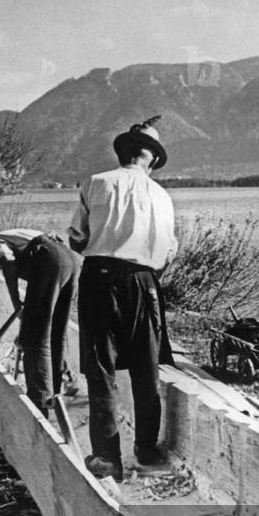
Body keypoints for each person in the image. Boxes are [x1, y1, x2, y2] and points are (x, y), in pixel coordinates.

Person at [68, 115, 178, 482]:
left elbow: (77, 240)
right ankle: (146, 452)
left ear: (124, 153)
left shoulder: (95, 184)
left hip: (99, 278)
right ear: (152, 160)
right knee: (146, 372)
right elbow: (167, 253)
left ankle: (107, 458)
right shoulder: (162, 197)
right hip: (144, 282)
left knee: (101, 372)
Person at [0, 228, 79, 415]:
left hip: (49, 262)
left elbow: (7, 261)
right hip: (69, 260)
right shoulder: (17, 235)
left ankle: (40, 402)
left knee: (35, 340)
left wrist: (15, 302)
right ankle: (53, 397)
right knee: (56, 334)